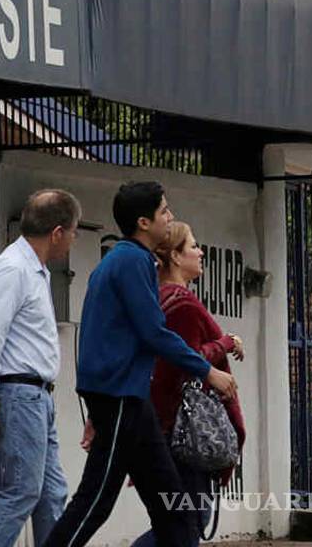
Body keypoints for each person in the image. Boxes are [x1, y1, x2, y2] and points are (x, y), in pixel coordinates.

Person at [40, 181, 238, 547]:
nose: (171, 217)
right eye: (165, 211)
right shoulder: (132, 260)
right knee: (95, 501)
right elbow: (154, 332)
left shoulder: (124, 259)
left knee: (174, 510)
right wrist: (207, 370)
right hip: (119, 398)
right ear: (144, 222)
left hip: (128, 399)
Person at [0, 190, 82, 547]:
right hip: (19, 393)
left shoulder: (34, 269)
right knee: (22, 492)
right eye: (74, 231)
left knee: (50, 494)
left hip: (35, 395)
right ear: (57, 233)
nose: (74, 239)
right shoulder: (13, 269)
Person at [131, 222, 247, 547]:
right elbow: (186, 359)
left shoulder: (159, 298)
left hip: (163, 427)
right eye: (193, 246)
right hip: (182, 433)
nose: (201, 252)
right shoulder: (180, 302)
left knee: (180, 521)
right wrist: (223, 343)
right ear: (175, 257)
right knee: (188, 522)